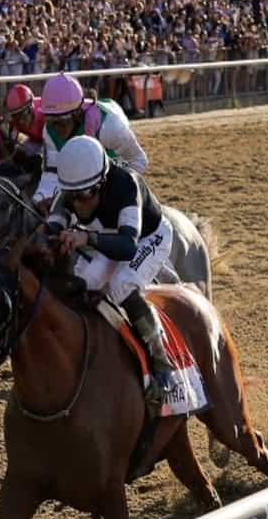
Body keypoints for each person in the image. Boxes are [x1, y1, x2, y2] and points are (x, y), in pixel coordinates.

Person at [45, 135, 175, 409]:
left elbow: (127, 246)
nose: (78, 203)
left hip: (148, 238)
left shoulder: (125, 185)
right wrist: (55, 237)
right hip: (107, 237)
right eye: (72, 196)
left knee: (120, 286)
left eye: (85, 195)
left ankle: (161, 361)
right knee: (81, 284)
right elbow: (51, 228)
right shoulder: (72, 187)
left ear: (102, 182)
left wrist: (85, 238)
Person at [33, 72, 148, 206]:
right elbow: (52, 174)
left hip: (116, 160)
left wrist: (116, 192)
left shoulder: (109, 127)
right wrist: (40, 198)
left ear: (77, 114)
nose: (56, 129)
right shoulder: (49, 131)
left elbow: (139, 160)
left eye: (62, 122)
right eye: (51, 121)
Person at [2, 83, 44, 161]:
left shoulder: (44, 115)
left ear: (31, 108)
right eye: (16, 116)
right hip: (36, 141)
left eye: (23, 114)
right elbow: (12, 146)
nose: (21, 121)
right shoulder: (14, 123)